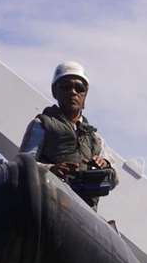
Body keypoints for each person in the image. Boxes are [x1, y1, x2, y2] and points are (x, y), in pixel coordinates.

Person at [19, 61, 117, 206]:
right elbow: (22, 165)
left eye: (79, 88)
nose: (73, 92)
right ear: (54, 92)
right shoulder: (41, 125)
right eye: (66, 87)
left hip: (85, 213)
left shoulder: (95, 138)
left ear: (85, 95)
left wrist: (105, 165)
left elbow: (114, 180)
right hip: (50, 204)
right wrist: (51, 170)